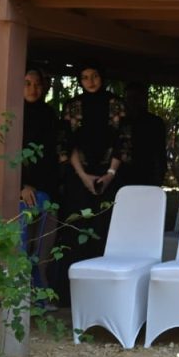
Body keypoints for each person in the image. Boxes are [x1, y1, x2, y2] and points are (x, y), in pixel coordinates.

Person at [55, 63, 130, 304]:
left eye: (95, 75)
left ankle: (106, 296)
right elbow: (67, 144)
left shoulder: (116, 105)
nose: (90, 81)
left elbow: (124, 141)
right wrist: (83, 176)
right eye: (85, 77)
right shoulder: (73, 106)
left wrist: (109, 173)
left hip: (110, 180)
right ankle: (71, 296)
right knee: (76, 232)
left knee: (105, 233)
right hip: (79, 182)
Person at [20, 68, 61, 289]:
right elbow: (4, 156)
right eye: (27, 83)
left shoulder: (49, 115)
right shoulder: (12, 113)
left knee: (44, 243)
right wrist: (20, 186)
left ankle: (40, 291)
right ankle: (20, 293)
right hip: (21, 192)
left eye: (37, 84)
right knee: (22, 242)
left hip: (48, 189)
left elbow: (53, 155)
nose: (33, 89)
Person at [122, 81, 168, 187]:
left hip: (148, 174)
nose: (132, 103)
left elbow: (159, 153)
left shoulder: (155, 122)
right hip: (124, 175)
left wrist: (159, 177)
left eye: (136, 98)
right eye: (129, 99)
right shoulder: (122, 122)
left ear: (143, 100)